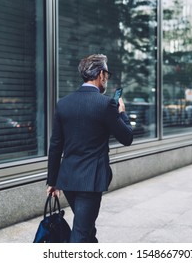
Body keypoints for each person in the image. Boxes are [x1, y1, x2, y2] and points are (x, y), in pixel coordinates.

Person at [46, 54, 133, 243]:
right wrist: (122, 113)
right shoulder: (106, 104)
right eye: (107, 75)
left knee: (86, 228)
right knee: (81, 232)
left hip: (68, 178)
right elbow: (127, 138)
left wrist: (52, 180)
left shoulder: (63, 103)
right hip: (90, 180)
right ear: (101, 74)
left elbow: (55, 146)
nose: (107, 80)